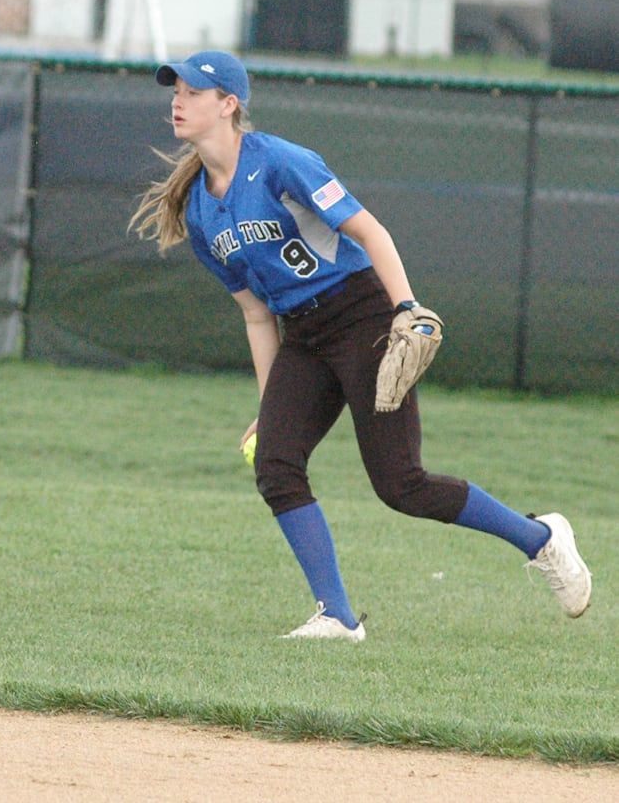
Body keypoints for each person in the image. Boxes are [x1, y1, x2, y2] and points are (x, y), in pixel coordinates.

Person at [129, 50, 592, 641]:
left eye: (193, 92)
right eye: (175, 91)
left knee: (401, 485)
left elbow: (368, 230)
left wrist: (406, 311)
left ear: (229, 104)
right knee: (275, 463)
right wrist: (271, 407)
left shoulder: (278, 162)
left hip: (363, 317)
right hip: (304, 335)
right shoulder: (199, 208)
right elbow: (255, 315)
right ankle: (337, 617)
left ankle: (543, 539)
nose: (178, 100)